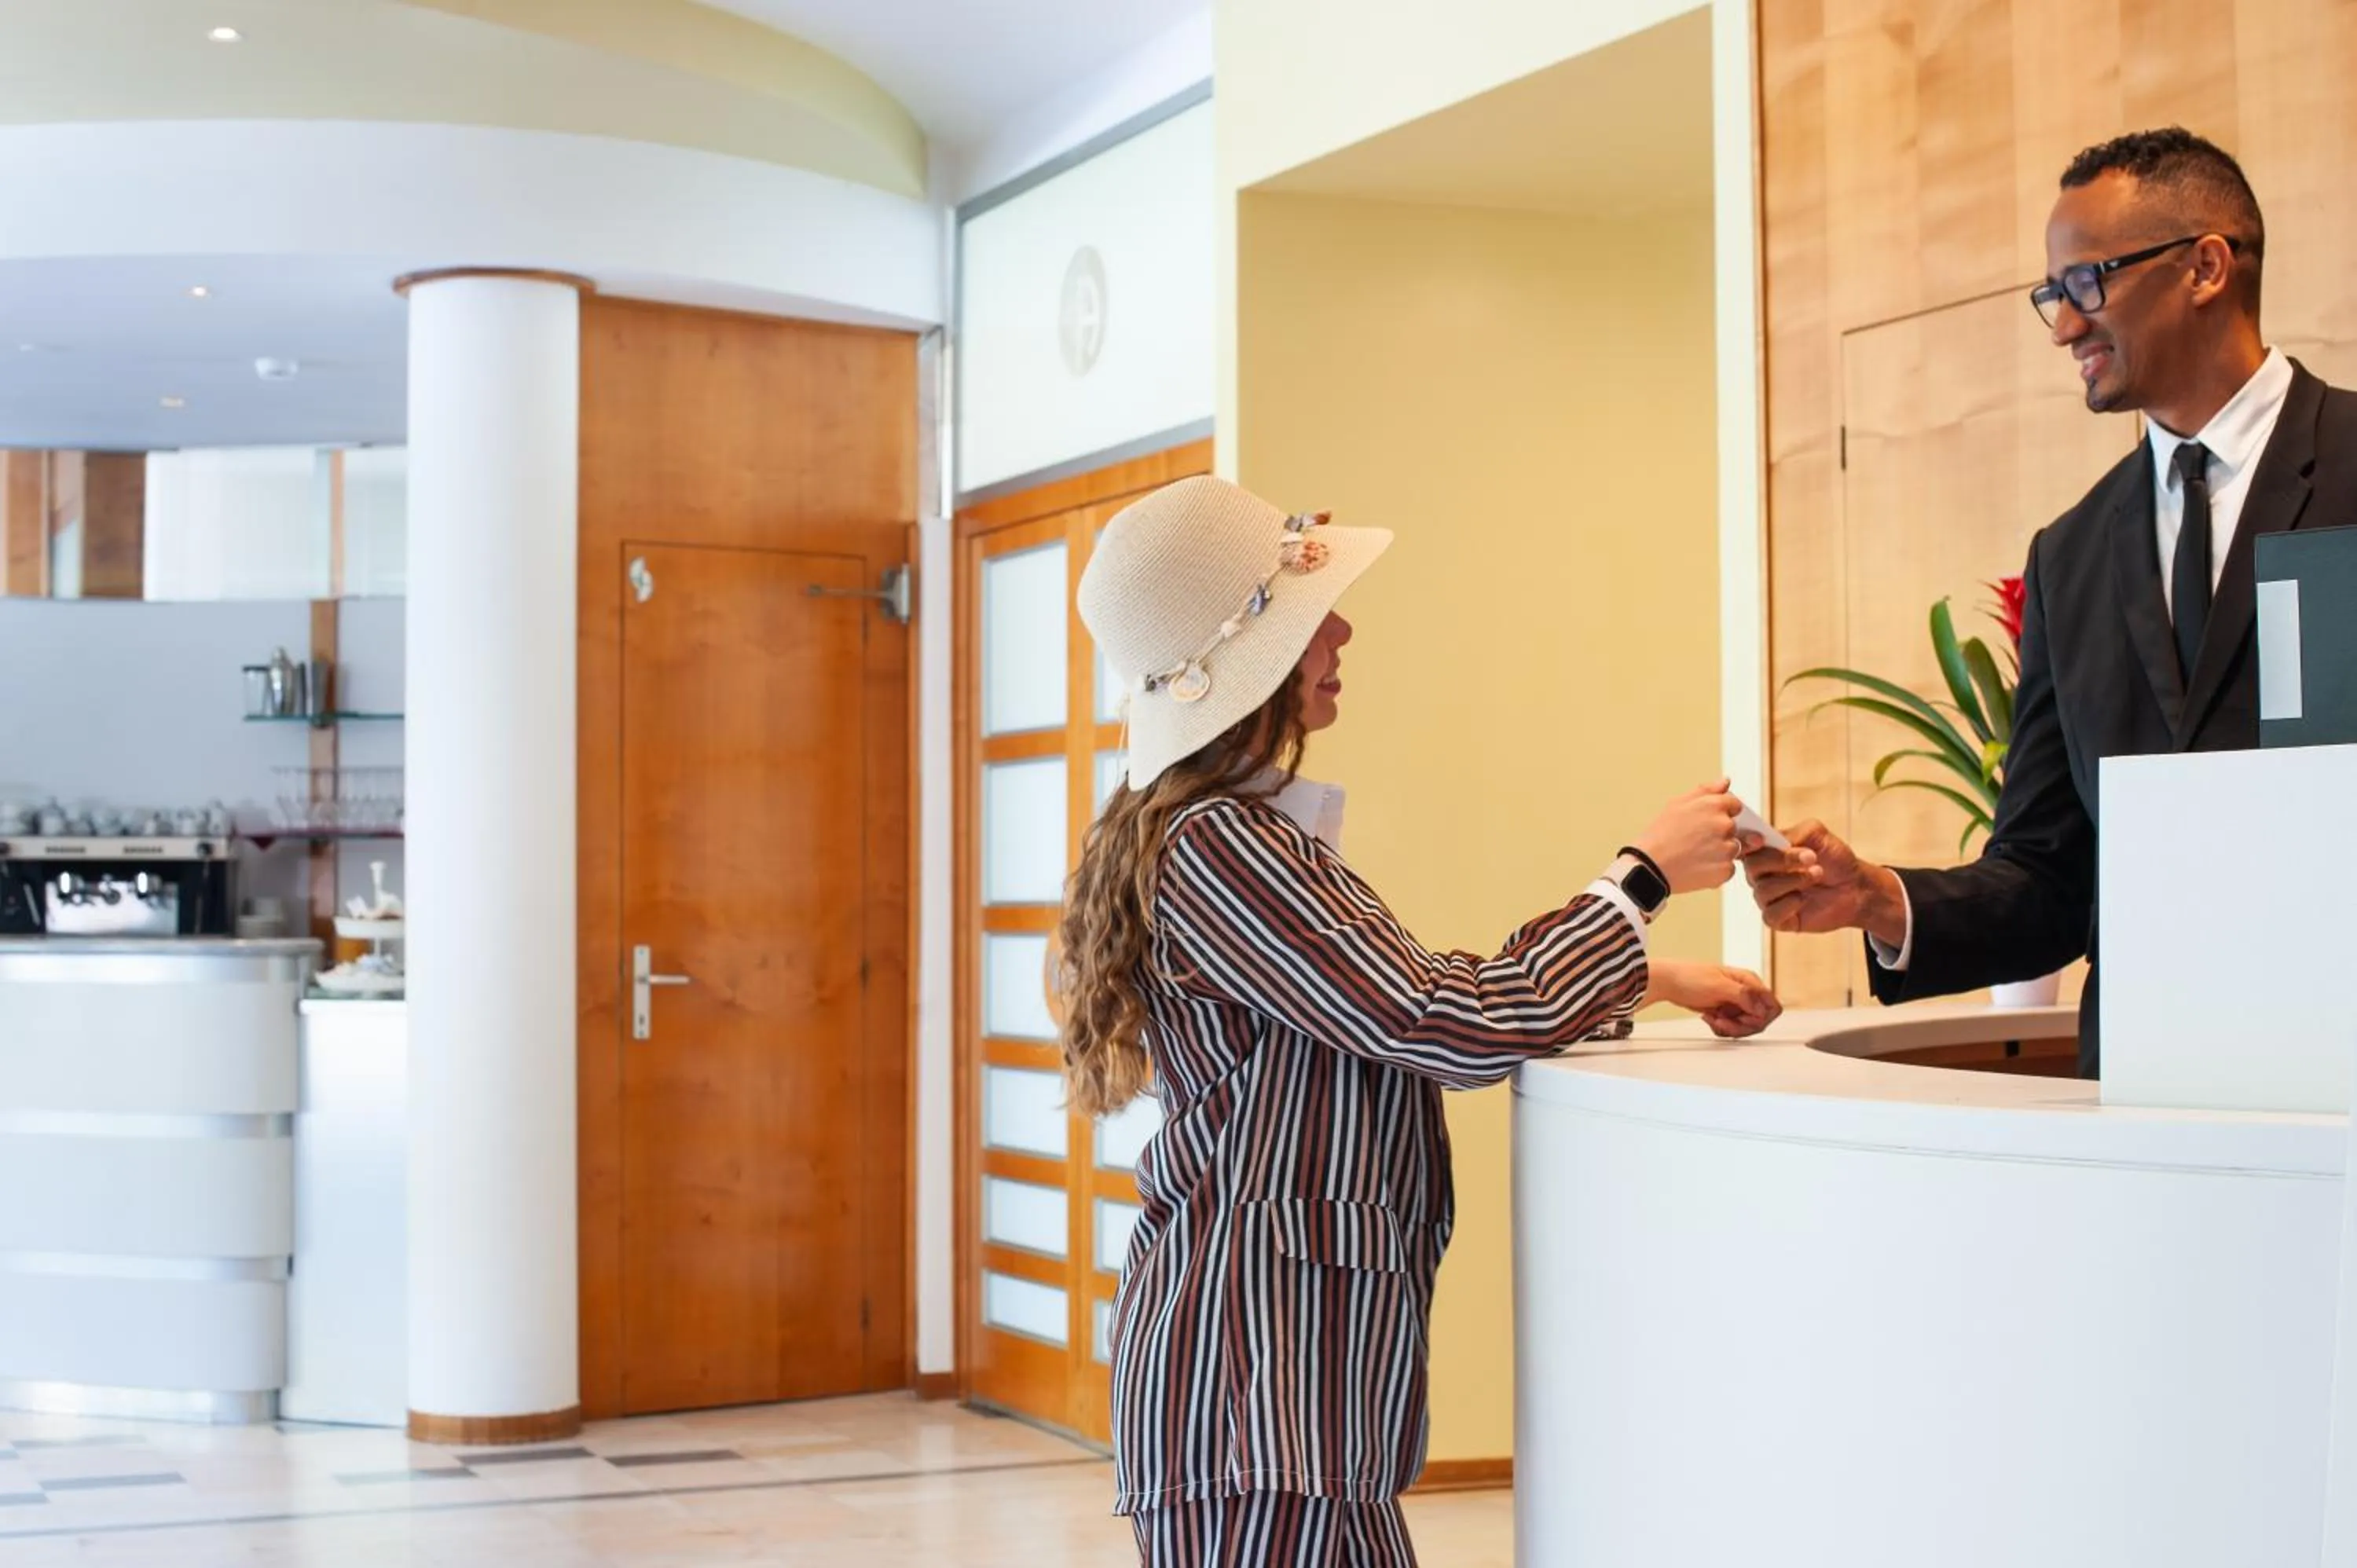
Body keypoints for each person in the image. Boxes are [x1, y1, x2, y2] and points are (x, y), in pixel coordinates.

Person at [1059, 474, 1781, 1566]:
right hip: (1260, 1395)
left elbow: (1395, 1002)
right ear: (1247, 663)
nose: (1342, 628)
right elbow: (1443, 1021)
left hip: (1285, 1395)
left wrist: (1654, 977)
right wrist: (1638, 881)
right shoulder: (1222, 848)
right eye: (1309, 616)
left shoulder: (1221, 838)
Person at [1744, 126, 2357, 1078]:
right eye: (2053, 296)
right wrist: (1879, 898)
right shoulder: (2070, 556)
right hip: (2152, 1094)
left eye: (2088, 283)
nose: (2066, 325)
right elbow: (2049, 876)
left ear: (2205, 267)